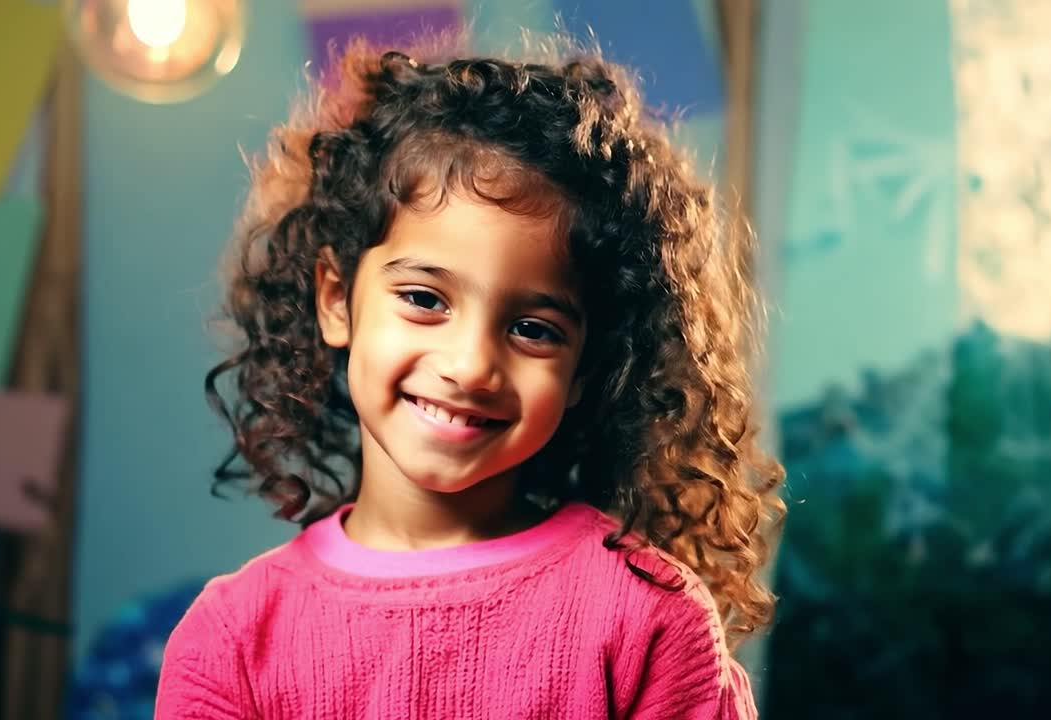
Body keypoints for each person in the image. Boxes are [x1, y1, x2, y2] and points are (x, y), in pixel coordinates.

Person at [155, 32, 785, 719]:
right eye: (425, 299)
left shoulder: (648, 622)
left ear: (587, 368)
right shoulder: (234, 638)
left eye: (533, 329)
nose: (471, 365)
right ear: (336, 298)